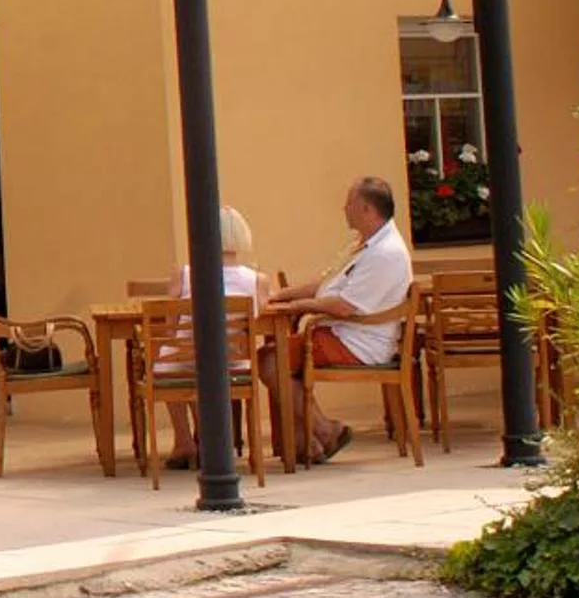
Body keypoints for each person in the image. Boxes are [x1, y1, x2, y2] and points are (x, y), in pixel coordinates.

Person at [267, 176, 414, 463]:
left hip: (359, 342)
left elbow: (345, 305)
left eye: (349, 203)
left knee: (272, 360)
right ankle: (309, 440)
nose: (344, 209)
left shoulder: (386, 254)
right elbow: (326, 284)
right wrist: (281, 296)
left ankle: (321, 432)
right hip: (343, 333)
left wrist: (298, 306)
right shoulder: (365, 245)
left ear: (367, 210)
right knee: (277, 357)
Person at [157, 205, 268, 470]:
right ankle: (210, 441)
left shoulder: (183, 274)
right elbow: (257, 321)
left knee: (163, 361)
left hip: (185, 361)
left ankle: (184, 440)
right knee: (199, 364)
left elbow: (170, 328)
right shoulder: (257, 280)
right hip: (232, 363)